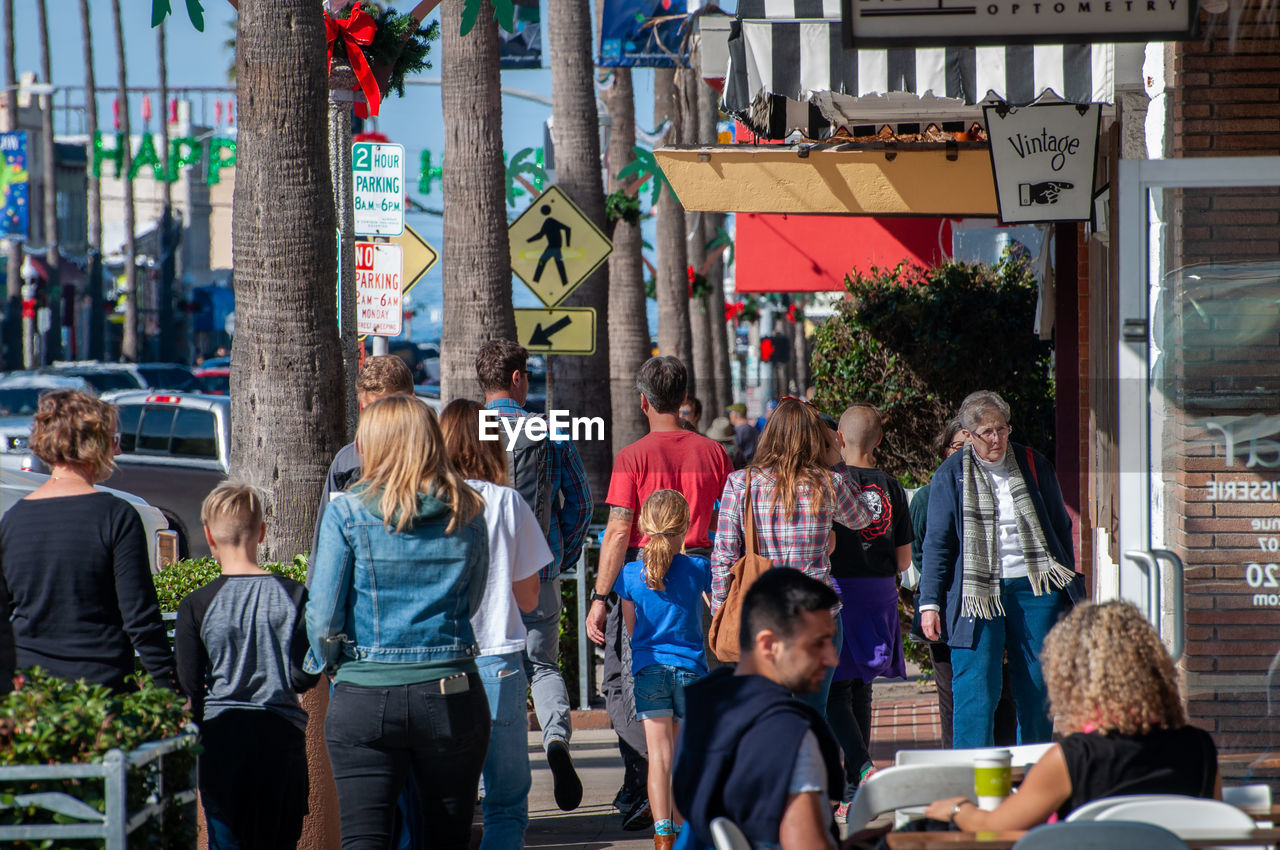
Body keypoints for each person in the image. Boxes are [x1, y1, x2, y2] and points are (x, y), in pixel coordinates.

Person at [306, 396, 491, 850]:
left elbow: (324, 615)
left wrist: (334, 663)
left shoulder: (347, 512)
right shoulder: (468, 512)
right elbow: (471, 600)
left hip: (364, 692)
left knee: (364, 839)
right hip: (451, 689)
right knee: (446, 839)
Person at [587, 355, 734, 830]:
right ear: (685, 398)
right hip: (702, 582)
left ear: (644, 402)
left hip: (643, 584)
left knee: (624, 683)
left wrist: (599, 595)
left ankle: (645, 783)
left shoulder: (633, 457)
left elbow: (617, 530)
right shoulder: (714, 454)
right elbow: (725, 524)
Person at [923, 600, 1220, 828]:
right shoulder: (1199, 747)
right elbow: (1212, 826)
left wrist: (955, 809)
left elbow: (994, 827)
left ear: (1074, 675)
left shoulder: (1071, 759)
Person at [919, 390, 1083, 748]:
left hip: (1035, 586)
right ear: (969, 434)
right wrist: (929, 601)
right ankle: (973, 783)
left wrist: (1065, 582)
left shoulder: (1032, 463)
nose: (996, 439)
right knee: (976, 688)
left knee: (1038, 687)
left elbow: (1059, 526)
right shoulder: (950, 474)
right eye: (987, 433)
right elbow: (938, 542)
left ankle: (1035, 780)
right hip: (976, 594)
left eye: (1002, 429)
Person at [478, 338, 592, 812]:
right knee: (542, 666)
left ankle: (487, 779)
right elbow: (581, 505)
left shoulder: (466, 432)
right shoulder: (549, 433)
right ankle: (555, 740)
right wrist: (556, 556)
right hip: (539, 574)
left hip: (480, 580)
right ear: (518, 379)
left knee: (484, 667)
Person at [0, 389, 174, 692]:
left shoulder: (13, 519)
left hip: (31, 691)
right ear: (95, 444)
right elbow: (141, 618)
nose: (117, 451)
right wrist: (169, 690)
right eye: (113, 439)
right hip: (100, 684)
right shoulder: (116, 516)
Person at [175, 482, 318, 850]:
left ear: (208, 535)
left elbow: (189, 691)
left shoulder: (196, 604)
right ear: (262, 532)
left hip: (222, 742)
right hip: (280, 738)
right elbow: (305, 674)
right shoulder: (295, 595)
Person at [711, 397, 873, 717]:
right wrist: (837, 459)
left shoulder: (741, 483)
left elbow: (724, 558)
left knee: (766, 717)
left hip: (763, 619)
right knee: (813, 717)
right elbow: (863, 516)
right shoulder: (828, 482)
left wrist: (722, 612)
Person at [439, 399, 550, 850]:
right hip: (498, 660)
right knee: (505, 805)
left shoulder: (429, 503)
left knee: (447, 802)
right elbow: (528, 596)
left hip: (439, 663)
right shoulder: (508, 503)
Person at [672, 568, 843, 850]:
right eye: (818, 643)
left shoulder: (704, 707)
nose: (831, 658)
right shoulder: (787, 733)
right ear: (768, 644)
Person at [909, 419, 1018, 749]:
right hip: (946, 609)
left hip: (996, 605)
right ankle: (957, 769)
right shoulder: (929, 496)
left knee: (1003, 695)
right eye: (960, 446)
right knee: (954, 697)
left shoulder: (1003, 488)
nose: (969, 453)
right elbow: (921, 552)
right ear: (947, 453)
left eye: (975, 445)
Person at [826, 404, 912, 820]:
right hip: (879, 593)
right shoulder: (893, 487)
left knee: (835, 691)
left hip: (840, 590)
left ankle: (855, 776)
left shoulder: (830, 482)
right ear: (879, 440)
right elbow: (903, 560)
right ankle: (852, 792)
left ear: (839, 439)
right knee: (861, 688)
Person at [614, 490, 711, 850]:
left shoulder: (628, 574)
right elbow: (715, 606)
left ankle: (662, 836)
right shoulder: (698, 569)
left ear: (643, 526)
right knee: (685, 758)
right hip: (690, 671)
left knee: (659, 758)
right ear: (684, 527)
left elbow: (630, 628)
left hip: (649, 669)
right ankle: (689, 833)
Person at [311, 354, 416, 559]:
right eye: (370, 410)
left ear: (411, 400)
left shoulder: (431, 457)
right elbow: (326, 545)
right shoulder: (347, 462)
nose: (378, 420)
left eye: (387, 409)